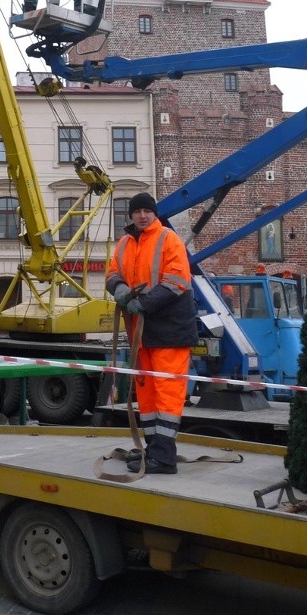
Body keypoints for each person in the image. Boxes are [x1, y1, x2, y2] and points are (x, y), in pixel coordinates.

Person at [106, 192, 197, 475]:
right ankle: (154, 451)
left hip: (169, 330)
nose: (142, 215)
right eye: (137, 211)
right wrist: (121, 291)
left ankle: (164, 457)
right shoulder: (124, 244)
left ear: (154, 214)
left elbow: (178, 279)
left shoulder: (168, 239)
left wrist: (142, 304)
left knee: (167, 395)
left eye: (147, 211)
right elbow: (111, 274)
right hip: (142, 333)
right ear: (130, 216)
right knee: (147, 396)